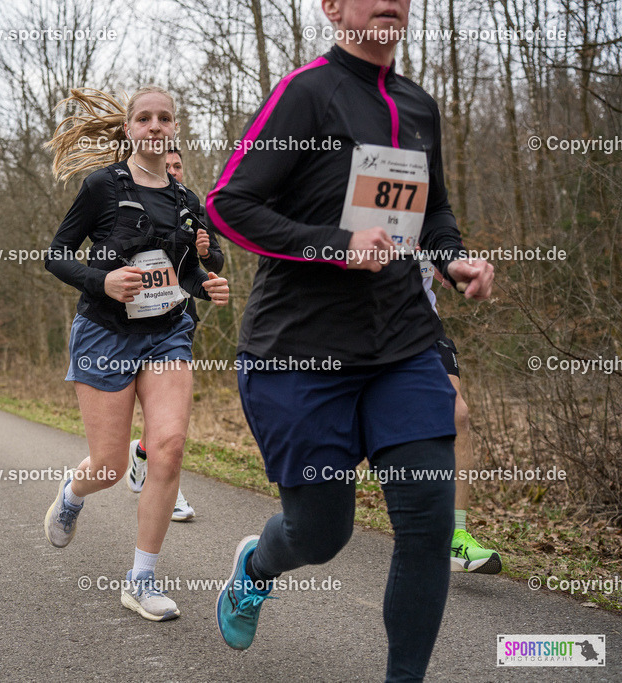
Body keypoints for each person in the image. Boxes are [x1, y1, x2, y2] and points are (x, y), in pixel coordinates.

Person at [207, 1, 494, 680]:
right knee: (320, 533)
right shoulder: (307, 94)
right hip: (299, 352)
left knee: (426, 523)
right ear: (333, 7)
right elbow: (228, 203)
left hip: (401, 343)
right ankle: (257, 563)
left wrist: (452, 259)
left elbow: (434, 209)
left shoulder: (420, 105)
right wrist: (335, 246)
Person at [43, 85, 230, 621]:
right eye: (144, 118)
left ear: (173, 128)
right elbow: (55, 256)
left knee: (168, 447)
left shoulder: (184, 199)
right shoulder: (102, 186)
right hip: (105, 332)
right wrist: (103, 281)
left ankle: (140, 580)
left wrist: (205, 285)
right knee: (109, 465)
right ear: (129, 129)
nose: (154, 126)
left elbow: (185, 269)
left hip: (167, 333)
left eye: (164, 118)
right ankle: (73, 494)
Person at [126, 147, 226, 522]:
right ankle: (142, 452)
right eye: (166, 165)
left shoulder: (191, 207)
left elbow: (215, 260)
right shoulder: (133, 200)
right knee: (150, 408)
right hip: (133, 321)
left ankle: (166, 481)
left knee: (167, 415)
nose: (172, 170)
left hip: (181, 318)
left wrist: (205, 253)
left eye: (177, 165)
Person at [424, 262, 502, 574]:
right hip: (351, 319)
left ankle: (454, 536)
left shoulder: (429, 213)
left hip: (417, 320)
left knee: (458, 414)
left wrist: (457, 268)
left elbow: (441, 243)